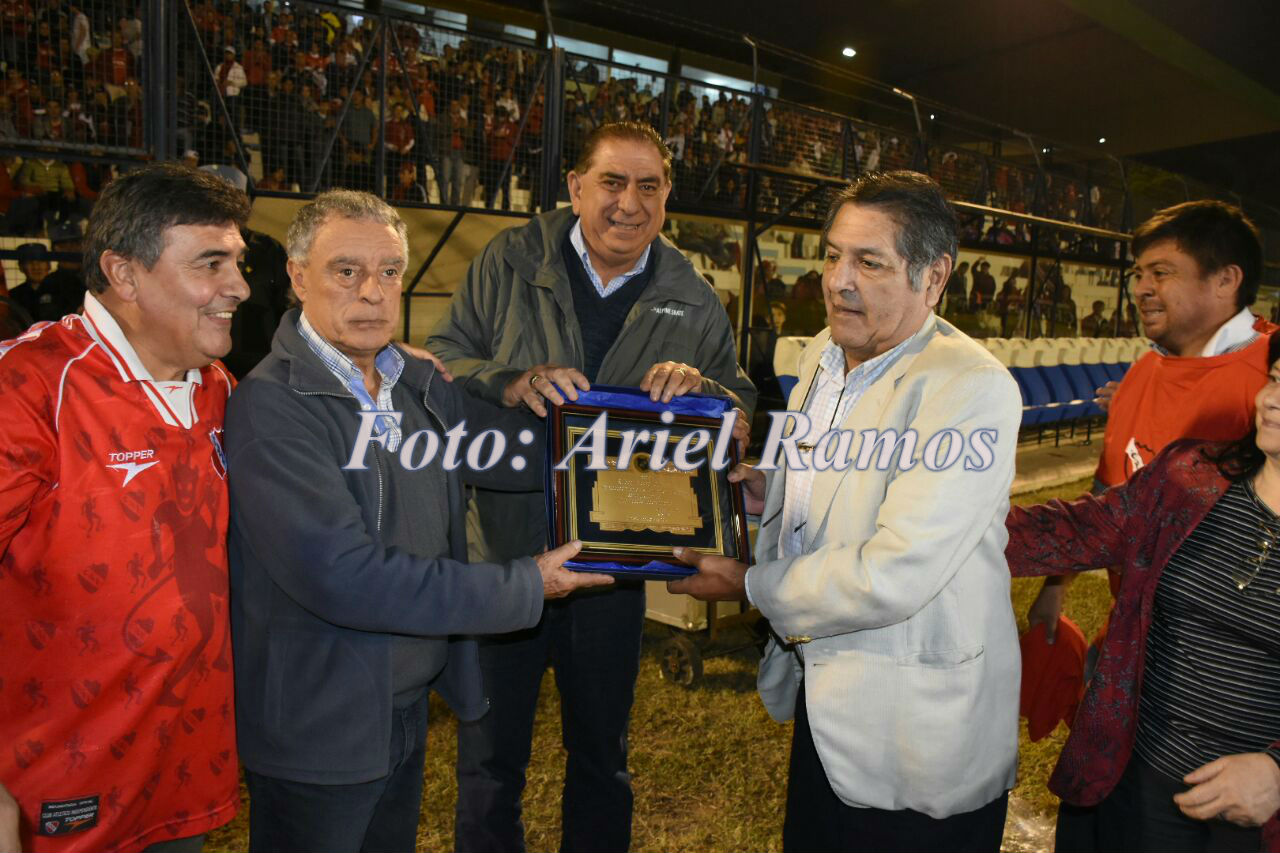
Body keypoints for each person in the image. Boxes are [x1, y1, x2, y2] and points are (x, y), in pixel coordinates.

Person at [225, 190, 611, 853]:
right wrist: (525, 585)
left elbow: (524, 456)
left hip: (400, 710)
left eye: (389, 271)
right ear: (296, 276)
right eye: (346, 271)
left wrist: (672, 446)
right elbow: (344, 577)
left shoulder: (415, 385)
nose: (372, 292)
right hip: (319, 728)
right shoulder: (274, 407)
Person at [670, 171, 1022, 853]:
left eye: (869, 261)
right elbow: (828, 478)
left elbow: (895, 570)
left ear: (934, 275)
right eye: (833, 254)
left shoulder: (971, 389)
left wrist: (745, 585)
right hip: (826, 699)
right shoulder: (822, 357)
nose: (837, 279)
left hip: (913, 733)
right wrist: (765, 489)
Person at [429, 120, 756, 853]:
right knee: (489, 763)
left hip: (615, 566)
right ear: (576, 187)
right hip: (507, 556)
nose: (627, 203)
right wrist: (510, 381)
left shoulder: (692, 296)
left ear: (667, 197)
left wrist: (708, 391)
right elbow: (448, 354)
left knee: (602, 758)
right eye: (611, 182)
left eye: (648, 186)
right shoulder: (510, 258)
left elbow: (737, 401)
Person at [0, 164, 251, 852]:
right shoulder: (28, 387)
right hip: (56, 794)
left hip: (185, 775)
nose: (239, 286)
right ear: (125, 272)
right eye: (211, 263)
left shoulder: (219, 390)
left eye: (237, 261)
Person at [1005, 331, 1280, 852]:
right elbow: (1080, 529)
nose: (1271, 399)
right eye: (1275, 379)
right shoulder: (1192, 478)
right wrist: (950, 527)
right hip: (1130, 782)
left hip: (1248, 824)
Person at [1027, 200, 1276, 644]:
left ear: (1225, 280)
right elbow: (1108, 495)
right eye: (1138, 274)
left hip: (1230, 651)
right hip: (1136, 629)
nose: (1141, 288)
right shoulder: (1143, 370)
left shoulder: (1270, 373)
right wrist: (1056, 586)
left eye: (1161, 273)